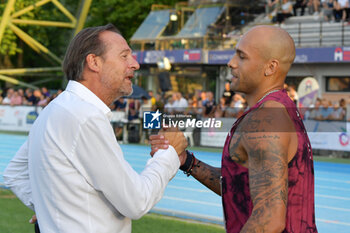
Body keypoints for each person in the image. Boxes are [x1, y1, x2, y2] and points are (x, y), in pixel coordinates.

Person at [3, 24, 187, 233]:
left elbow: (14, 173)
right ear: (94, 62)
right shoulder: (85, 117)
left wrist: (48, 210)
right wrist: (169, 152)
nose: (135, 64)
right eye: (124, 56)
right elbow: (137, 202)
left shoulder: (55, 108)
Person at [150, 25, 318, 232]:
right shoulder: (277, 109)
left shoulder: (266, 119)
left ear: (270, 67)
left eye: (242, 56)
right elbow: (241, 186)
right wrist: (187, 161)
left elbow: (269, 220)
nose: (231, 63)